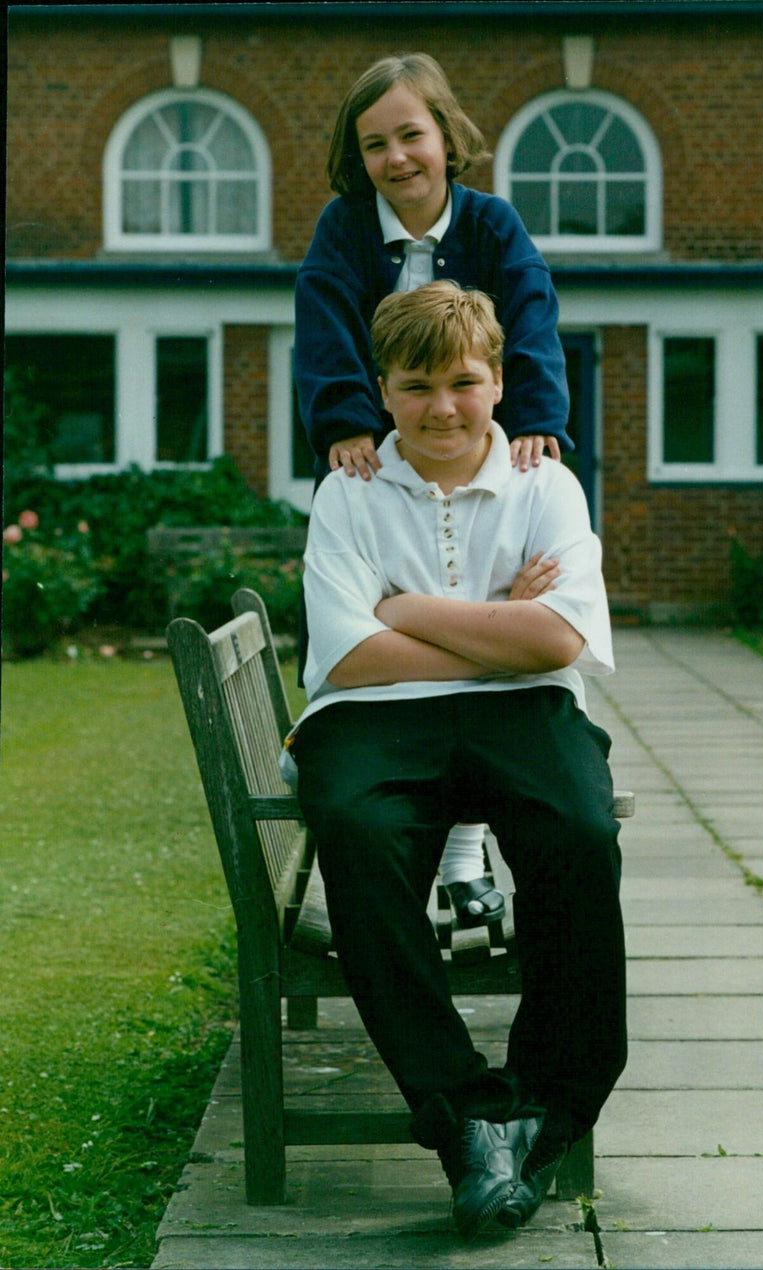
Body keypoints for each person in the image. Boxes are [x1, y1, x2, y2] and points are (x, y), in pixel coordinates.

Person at [285, 282, 627, 1238]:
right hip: (372, 718)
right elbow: (347, 659)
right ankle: (466, 1121)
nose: (443, 406)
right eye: (417, 384)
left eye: (464, 382)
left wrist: (403, 609)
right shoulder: (348, 492)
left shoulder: (545, 484)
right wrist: (497, 625)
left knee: (578, 830)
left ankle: (545, 1104)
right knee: (356, 829)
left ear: (499, 381)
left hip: (527, 712)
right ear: (383, 391)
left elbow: (558, 642)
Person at [294, 52, 571, 926]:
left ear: (447, 136)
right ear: (359, 158)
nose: (397, 157)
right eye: (375, 144)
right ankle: (414, 863)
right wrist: (344, 421)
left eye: (412, 134)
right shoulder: (344, 229)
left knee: (476, 594)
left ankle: (459, 861)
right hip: (383, 456)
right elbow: (324, 317)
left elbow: (528, 313)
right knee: (397, 616)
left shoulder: (491, 222)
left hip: (476, 444)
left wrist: (533, 415)